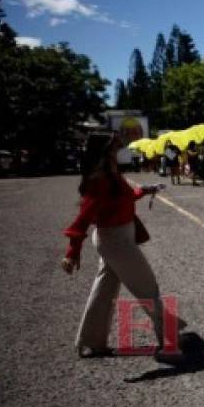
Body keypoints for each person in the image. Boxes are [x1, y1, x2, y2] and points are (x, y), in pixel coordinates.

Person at [60, 133, 185, 358]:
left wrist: (144, 191)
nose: (120, 145)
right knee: (147, 287)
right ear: (107, 150)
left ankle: (91, 341)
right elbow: (83, 218)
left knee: (104, 291)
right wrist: (72, 252)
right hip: (116, 241)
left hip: (117, 239)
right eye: (115, 143)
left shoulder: (112, 173)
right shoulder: (100, 179)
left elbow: (121, 199)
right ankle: (170, 339)